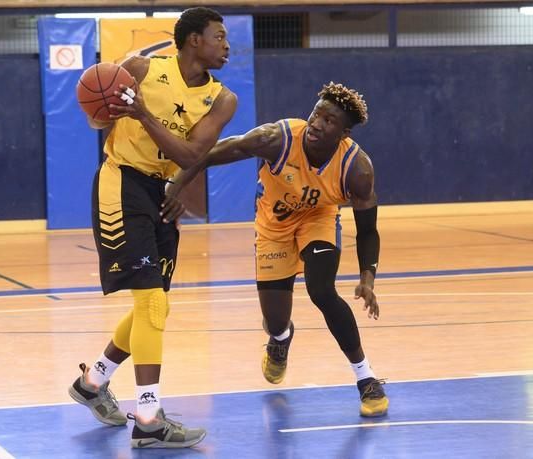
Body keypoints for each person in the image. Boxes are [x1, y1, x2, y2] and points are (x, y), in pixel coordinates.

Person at [68, 7, 237, 449]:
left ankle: (92, 382)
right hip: (121, 181)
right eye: (219, 36)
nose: (227, 45)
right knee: (151, 303)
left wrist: (176, 184)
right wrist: (107, 107)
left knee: (155, 306)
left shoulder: (223, 99)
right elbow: (96, 118)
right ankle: (148, 418)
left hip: (161, 191)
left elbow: (190, 156)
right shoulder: (141, 68)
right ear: (193, 40)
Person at [166, 82, 388, 417]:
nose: (317, 123)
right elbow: (214, 152)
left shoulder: (357, 168)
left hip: (318, 218)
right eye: (317, 114)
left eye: (329, 122)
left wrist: (367, 278)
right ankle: (281, 338)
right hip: (274, 225)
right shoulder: (277, 139)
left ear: (343, 133)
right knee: (274, 320)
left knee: (322, 291)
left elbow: (368, 231)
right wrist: (175, 185)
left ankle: (367, 378)